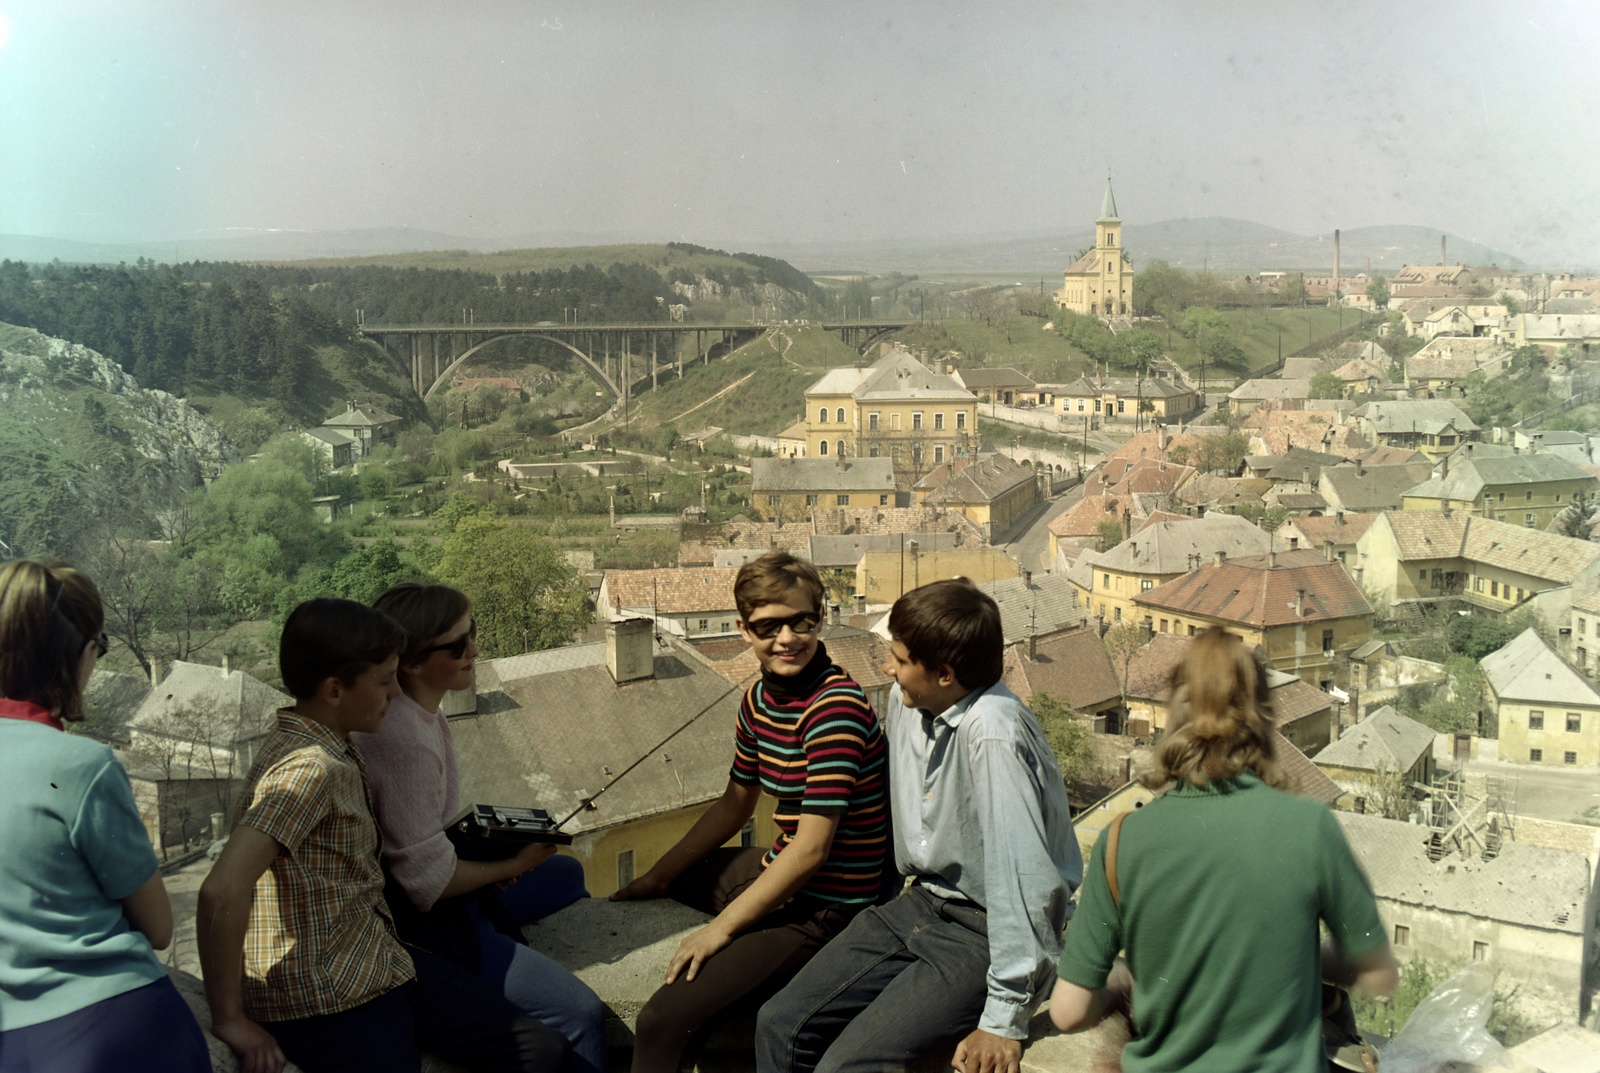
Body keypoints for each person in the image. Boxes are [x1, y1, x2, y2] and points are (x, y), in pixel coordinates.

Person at [197, 598, 570, 1073]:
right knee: (539, 1050)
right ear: (334, 690)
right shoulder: (310, 770)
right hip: (335, 1002)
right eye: (383, 681)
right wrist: (229, 1018)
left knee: (543, 1049)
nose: (396, 694)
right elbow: (221, 889)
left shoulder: (317, 743)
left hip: (375, 962)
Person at [757, 577, 1081, 1073]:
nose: (888, 667)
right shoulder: (906, 703)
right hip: (917, 904)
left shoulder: (992, 731)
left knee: (848, 1065)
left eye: (901, 659)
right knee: (779, 1023)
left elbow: (1024, 883)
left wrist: (1005, 1017)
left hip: (984, 932)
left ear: (945, 673)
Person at [1050, 627, 1398, 1073]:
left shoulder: (1123, 839)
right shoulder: (1310, 827)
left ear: (1172, 722)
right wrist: (1293, 953)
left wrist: (1123, 981)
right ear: (1266, 721)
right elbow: (1376, 971)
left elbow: (1068, 1011)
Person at [611, 552, 891, 1073]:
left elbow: (811, 849)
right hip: (782, 872)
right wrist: (657, 877)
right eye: (768, 626)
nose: (787, 638)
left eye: (801, 621)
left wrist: (719, 931)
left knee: (660, 1021)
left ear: (821, 617)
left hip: (827, 906)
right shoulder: (759, 699)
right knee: (680, 880)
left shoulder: (835, 708)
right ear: (744, 630)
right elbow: (735, 803)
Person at [354, 581, 607, 1073]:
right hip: (423, 926)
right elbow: (425, 883)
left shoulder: (422, 712)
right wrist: (509, 864)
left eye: (472, 633)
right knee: (581, 1014)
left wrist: (495, 862)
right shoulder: (403, 739)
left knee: (567, 874)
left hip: (436, 893)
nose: (474, 649)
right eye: (457, 645)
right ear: (410, 662)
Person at [0, 559, 211, 1073]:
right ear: (78, 652)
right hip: (117, 1030)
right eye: (100, 646)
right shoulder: (80, 766)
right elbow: (159, 926)